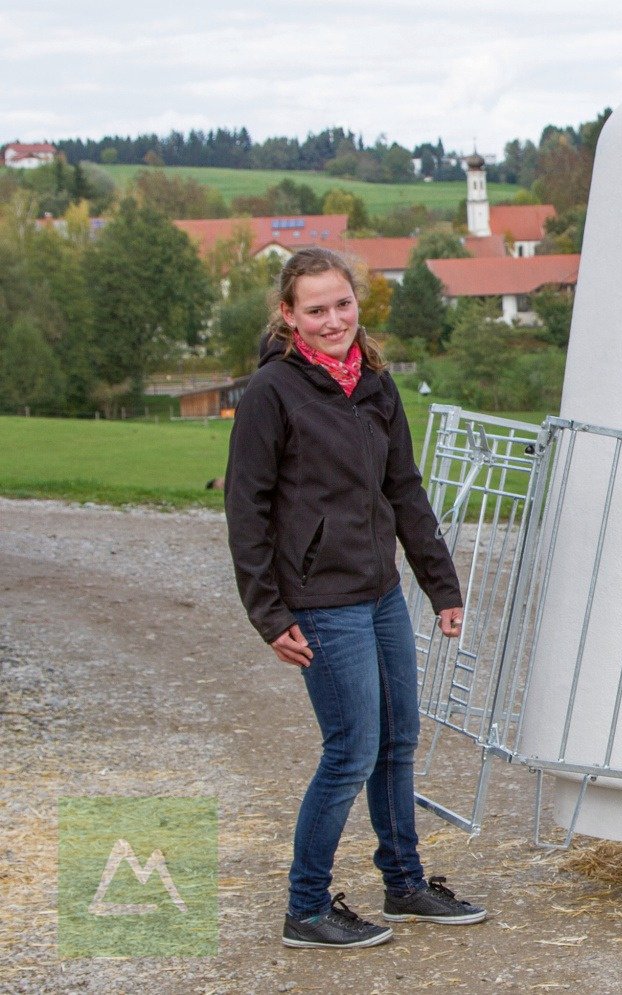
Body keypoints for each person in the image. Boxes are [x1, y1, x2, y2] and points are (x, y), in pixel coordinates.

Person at [225, 247, 486, 950]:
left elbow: (403, 489)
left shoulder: (375, 384)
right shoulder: (271, 393)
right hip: (319, 601)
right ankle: (306, 908)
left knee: (397, 740)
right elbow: (246, 510)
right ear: (289, 315)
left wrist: (440, 582)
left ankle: (404, 883)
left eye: (343, 304)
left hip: (380, 594)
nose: (334, 319)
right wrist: (269, 613)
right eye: (316, 309)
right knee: (350, 750)